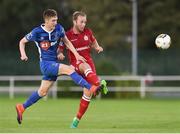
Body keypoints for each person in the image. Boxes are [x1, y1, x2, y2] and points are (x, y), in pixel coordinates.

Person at [15, 9, 100, 125]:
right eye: (53, 20)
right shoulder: (37, 32)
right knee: (70, 69)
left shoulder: (59, 28)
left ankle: (22, 107)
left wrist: (77, 55)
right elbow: (22, 42)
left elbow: (67, 42)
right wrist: (23, 54)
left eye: (56, 20)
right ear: (47, 21)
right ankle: (90, 87)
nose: (56, 22)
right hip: (46, 64)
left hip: (53, 64)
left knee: (43, 92)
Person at [58, 11, 108, 128]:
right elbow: (60, 49)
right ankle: (99, 83)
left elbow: (94, 41)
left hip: (89, 64)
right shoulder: (67, 35)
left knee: (88, 94)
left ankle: (76, 120)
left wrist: (97, 47)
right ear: (75, 21)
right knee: (83, 65)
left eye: (85, 22)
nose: (84, 24)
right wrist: (60, 54)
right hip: (76, 63)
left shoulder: (88, 32)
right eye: (81, 22)